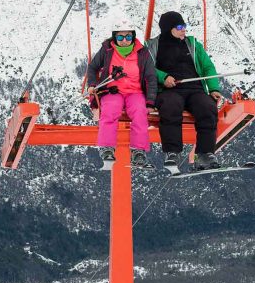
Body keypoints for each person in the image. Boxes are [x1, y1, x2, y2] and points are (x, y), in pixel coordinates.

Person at [145, 11, 224, 172]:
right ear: (168, 29)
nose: (184, 30)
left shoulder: (192, 44)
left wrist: (213, 88)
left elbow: (207, 66)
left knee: (207, 107)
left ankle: (204, 154)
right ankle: (172, 152)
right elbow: (147, 68)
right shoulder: (153, 46)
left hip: (195, 89)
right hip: (169, 89)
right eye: (180, 27)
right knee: (170, 106)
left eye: (184, 26)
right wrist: (163, 77)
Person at [86, 20, 158, 169]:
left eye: (128, 37)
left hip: (135, 91)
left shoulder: (142, 52)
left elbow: (151, 77)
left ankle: (138, 151)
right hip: (112, 90)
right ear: (114, 37)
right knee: (110, 110)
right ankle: (107, 148)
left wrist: (150, 101)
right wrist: (92, 84)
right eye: (120, 37)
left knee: (140, 112)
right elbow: (93, 67)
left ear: (133, 37)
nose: (124, 41)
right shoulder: (107, 50)